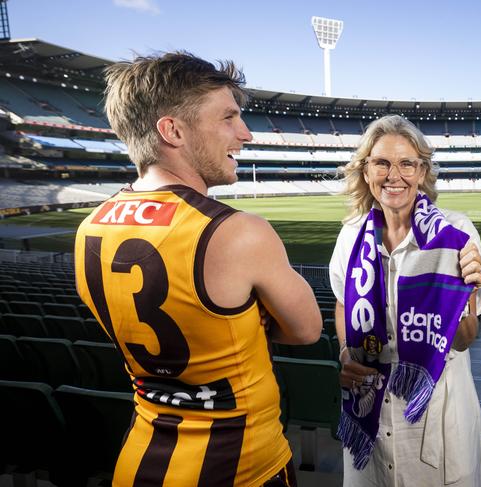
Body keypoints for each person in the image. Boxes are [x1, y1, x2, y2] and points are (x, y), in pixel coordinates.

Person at [74, 52, 322, 487]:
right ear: (172, 130)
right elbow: (305, 330)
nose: (245, 134)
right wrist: (248, 323)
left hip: (139, 461)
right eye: (229, 118)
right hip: (243, 466)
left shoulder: (88, 228)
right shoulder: (237, 233)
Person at [329, 115, 481, 486]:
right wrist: (344, 354)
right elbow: (342, 302)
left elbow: (465, 339)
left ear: (422, 172)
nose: (393, 175)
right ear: (366, 170)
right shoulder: (350, 235)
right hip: (367, 405)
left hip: (433, 409)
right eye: (381, 163)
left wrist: (462, 293)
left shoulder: (456, 234)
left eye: (406, 164)